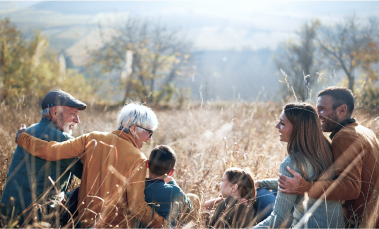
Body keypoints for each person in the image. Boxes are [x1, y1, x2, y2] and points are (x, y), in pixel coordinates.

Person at [14, 103, 166, 228]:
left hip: (84, 223)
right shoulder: (138, 158)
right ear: (133, 129)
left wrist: (22, 138)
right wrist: (165, 225)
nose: (150, 139)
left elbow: (51, 150)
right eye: (149, 133)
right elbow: (137, 206)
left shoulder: (92, 138)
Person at [278, 87, 379, 228]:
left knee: (282, 211)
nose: (317, 114)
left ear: (342, 110)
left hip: (358, 221)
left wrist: (306, 188)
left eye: (322, 109)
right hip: (371, 216)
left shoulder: (345, 137)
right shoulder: (364, 131)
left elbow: (351, 187)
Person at [0, 89, 85, 225]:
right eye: (73, 113)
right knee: (93, 189)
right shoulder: (64, 140)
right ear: (54, 112)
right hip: (40, 220)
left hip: (7, 217)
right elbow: (89, 175)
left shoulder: (28, 132)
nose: (77, 120)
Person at [253, 103, 344, 229]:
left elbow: (278, 220)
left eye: (282, 123)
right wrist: (261, 182)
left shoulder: (291, 163)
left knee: (260, 194)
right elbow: (297, 184)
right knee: (270, 190)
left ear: (298, 129)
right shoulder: (326, 151)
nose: (277, 126)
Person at [143, 145, 192, 227]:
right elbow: (189, 206)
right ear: (171, 172)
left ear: (147, 164)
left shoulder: (139, 187)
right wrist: (173, 183)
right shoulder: (174, 191)